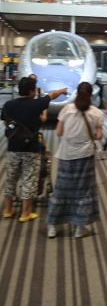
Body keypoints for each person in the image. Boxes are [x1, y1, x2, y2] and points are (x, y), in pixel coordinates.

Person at [1, 76, 67, 222]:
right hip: (31, 147)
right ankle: (25, 213)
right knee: (29, 178)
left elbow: (5, 121)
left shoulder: (8, 104)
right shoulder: (36, 104)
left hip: (13, 147)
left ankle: (7, 210)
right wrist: (63, 91)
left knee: (11, 178)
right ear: (32, 91)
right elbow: (52, 95)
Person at [47, 82, 103, 238]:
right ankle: (79, 228)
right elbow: (99, 136)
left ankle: (53, 226)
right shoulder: (96, 113)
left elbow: (58, 132)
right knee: (84, 192)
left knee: (61, 190)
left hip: (66, 155)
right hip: (85, 155)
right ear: (91, 94)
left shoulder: (67, 109)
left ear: (77, 93)